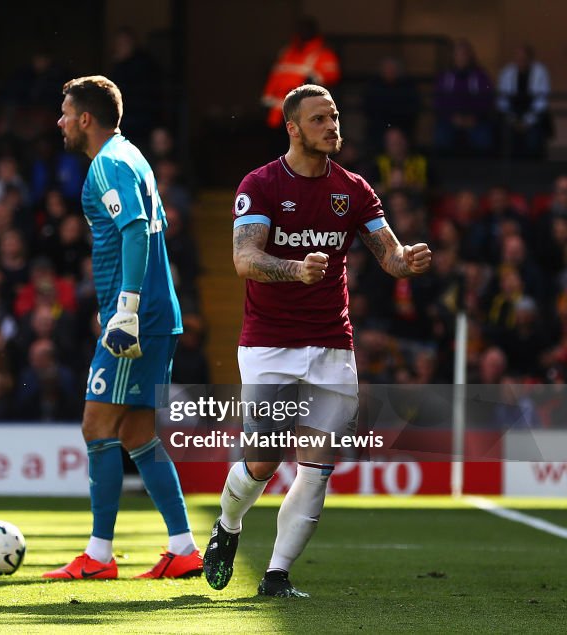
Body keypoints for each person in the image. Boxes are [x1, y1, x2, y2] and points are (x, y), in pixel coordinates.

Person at [202, 84, 431, 597]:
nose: (332, 126)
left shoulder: (354, 189)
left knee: (318, 466)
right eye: (320, 119)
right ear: (292, 127)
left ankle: (277, 574)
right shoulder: (259, 185)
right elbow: (244, 260)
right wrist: (294, 270)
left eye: (334, 117)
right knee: (264, 460)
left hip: (333, 344)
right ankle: (229, 525)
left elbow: (388, 255)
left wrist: (407, 259)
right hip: (269, 343)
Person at [42, 75, 200, 580]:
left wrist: (124, 309)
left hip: (139, 319)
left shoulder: (108, 164)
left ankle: (99, 556)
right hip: (154, 314)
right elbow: (145, 230)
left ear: (86, 118)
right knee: (136, 432)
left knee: (97, 426)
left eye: (66, 113)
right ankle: (183, 548)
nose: (60, 121)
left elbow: (134, 230)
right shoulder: (130, 155)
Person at [261, 17, 340, 129]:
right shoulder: (287, 53)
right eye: (300, 29)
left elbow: (331, 78)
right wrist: (266, 100)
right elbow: (275, 77)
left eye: (306, 29)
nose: (303, 32)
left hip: (304, 115)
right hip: (278, 116)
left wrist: (310, 84)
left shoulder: (324, 54)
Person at [496, 44, 552, 159]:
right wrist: (513, 120)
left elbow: (542, 100)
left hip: (534, 114)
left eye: (524, 58)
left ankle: (534, 171)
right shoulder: (507, 72)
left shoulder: (540, 71)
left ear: (530, 58)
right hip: (512, 114)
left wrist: (527, 121)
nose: (521, 61)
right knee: (507, 136)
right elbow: (502, 101)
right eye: (518, 58)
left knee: (533, 139)